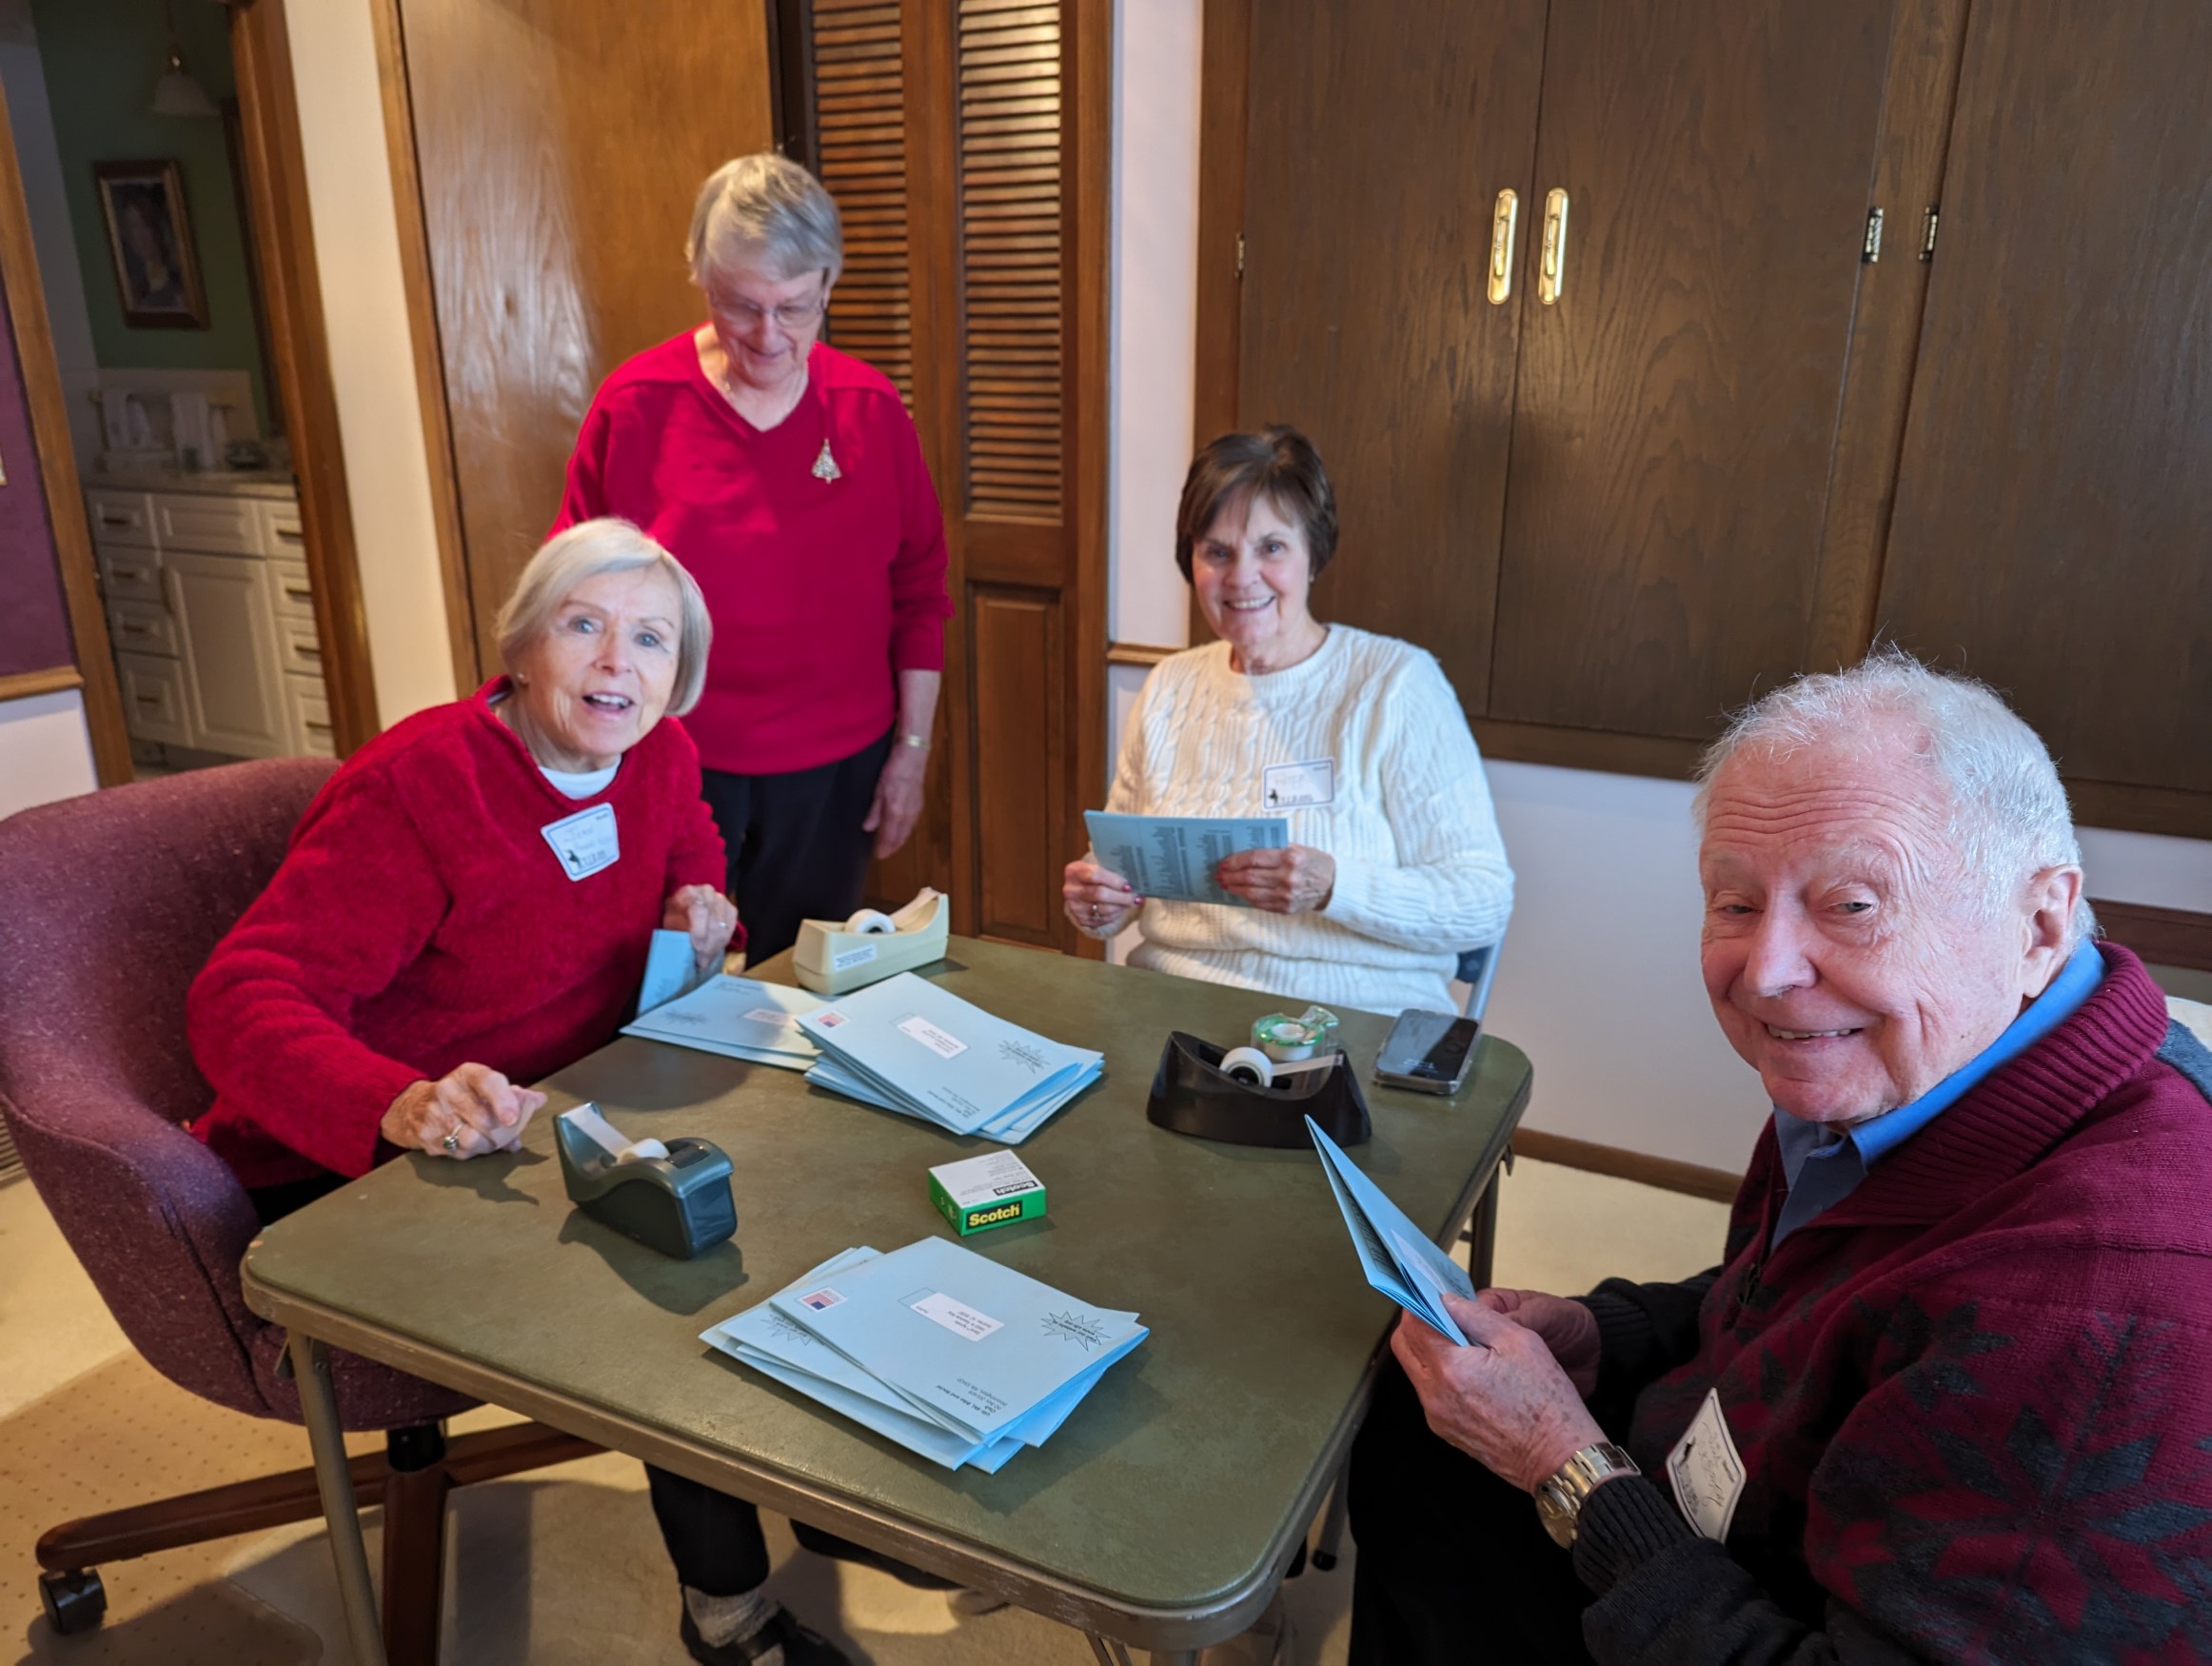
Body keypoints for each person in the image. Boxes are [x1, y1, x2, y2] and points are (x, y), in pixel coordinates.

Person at [1347, 650, 2212, 1663]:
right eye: (1735, 902)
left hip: (1760, 1602)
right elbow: (1800, 1290)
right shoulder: (1912, 1072)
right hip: (1726, 1491)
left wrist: (1565, 1464)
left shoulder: (2101, 1314)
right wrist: (1608, 1333)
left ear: (2039, 923)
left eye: (1851, 905)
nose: (1765, 972)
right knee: (1412, 1422)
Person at [187, 520, 851, 1666]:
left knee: (797, 1165)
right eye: (583, 625)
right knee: (671, 1270)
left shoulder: (657, 751)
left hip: (568, 1101)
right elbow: (236, 1000)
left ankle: (849, 1488)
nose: (616, 662)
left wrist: (699, 905)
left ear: (679, 672)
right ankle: (731, 1612)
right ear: (523, 644)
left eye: (650, 638)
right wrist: (396, 1101)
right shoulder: (422, 788)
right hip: (363, 1158)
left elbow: (689, 845)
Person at [554, 152, 952, 963]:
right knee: (658, 976)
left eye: (795, 308)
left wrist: (910, 755)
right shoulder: (636, 406)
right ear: (702, 280)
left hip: (835, 769)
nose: (769, 337)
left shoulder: (871, 411)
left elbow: (920, 593)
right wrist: (575, 755)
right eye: (740, 305)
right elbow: (570, 597)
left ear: (828, 285)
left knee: (803, 981)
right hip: (669, 757)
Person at [1062, 426, 1513, 1015]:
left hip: (1358, 1016)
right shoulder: (1170, 687)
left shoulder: (1396, 684)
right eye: (1217, 552)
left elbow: (1481, 903)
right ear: (1191, 561)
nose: (1241, 577)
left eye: (1271, 548)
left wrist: (1335, 886)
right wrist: (1098, 898)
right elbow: (1115, 874)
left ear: (1313, 554)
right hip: (1174, 1005)